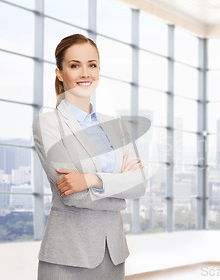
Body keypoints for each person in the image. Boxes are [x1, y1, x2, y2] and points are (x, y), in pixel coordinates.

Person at [32, 34, 147, 280]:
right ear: (60, 73)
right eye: (75, 65)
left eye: (92, 65)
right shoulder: (48, 124)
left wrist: (92, 179)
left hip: (113, 255)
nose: (85, 73)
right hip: (67, 256)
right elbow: (73, 195)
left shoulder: (115, 126)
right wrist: (119, 195)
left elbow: (139, 184)